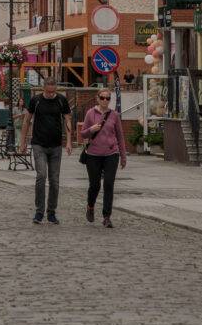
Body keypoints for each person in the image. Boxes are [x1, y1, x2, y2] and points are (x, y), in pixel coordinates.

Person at [19, 77, 72, 225]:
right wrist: (22, 142)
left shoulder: (61, 100)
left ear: (55, 89)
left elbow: (67, 120)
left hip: (56, 146)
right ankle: (39, 211)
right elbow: (27, 120)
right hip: (39, 144)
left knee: (54, 181)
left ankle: (51, 212)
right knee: (41, 176)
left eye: (52, 91)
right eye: (48, 92)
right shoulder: (36, 101)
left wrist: (68, 141)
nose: (50, 94)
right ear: (44, 89)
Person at [80, 88, 127, 228]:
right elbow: (82, 134)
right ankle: (90, 206)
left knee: (108, 184)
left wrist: (123, 156)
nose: (105, 100)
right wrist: (91, 130)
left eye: (108, 98)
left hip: (111, 154)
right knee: (94, 185)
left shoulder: (114, 115)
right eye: (102, 97)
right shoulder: (90, 113)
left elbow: (120, 136)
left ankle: (107, 216)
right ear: (97, 98)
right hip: (93, 155)